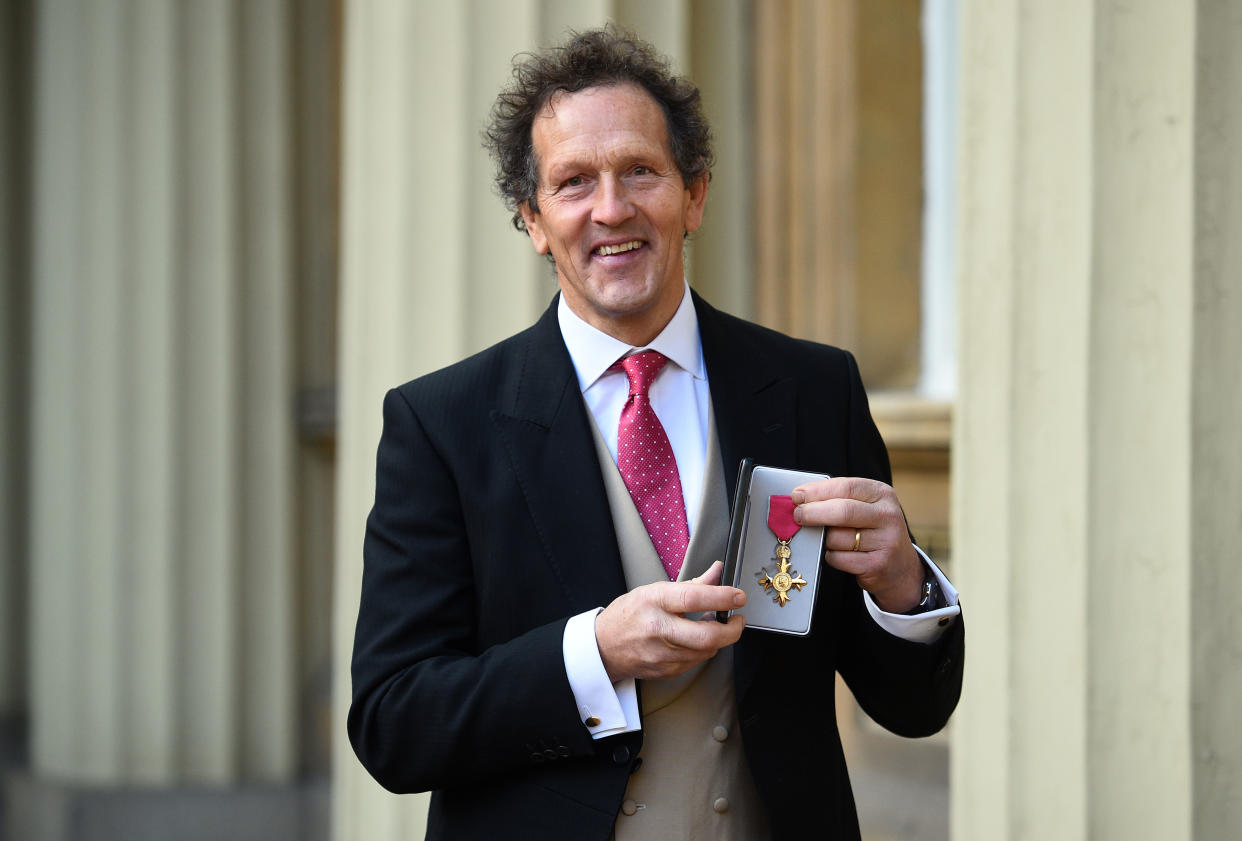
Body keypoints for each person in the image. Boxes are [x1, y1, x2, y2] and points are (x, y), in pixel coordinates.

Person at [349, 26, 963, 841]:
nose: (613, 208)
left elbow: (914, 707)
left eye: (641, 169)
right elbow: (394, 722)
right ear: (533, 219)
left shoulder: (816, 390)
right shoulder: (442, 424)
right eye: (573, 182)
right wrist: (592, 654)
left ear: (695, 194)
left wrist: (902, 589)